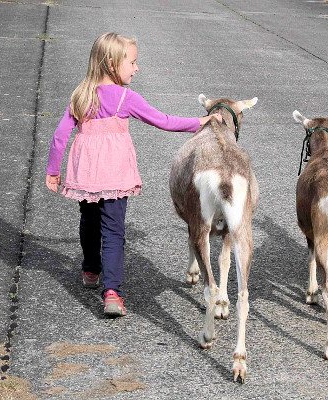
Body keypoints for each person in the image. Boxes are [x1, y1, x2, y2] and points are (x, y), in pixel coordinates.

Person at [45, 32, 221, 317]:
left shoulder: (81, 94)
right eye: (133, 62)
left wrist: (53, 171)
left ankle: (91, 269)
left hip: (86, 173)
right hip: (115, 174)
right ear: (113, 64)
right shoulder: (125, 97)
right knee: (113, 231)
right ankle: (112, 293)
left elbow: (60, 136)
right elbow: (163, 121)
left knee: (89, 222)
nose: (136, 68)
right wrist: (201, 121)